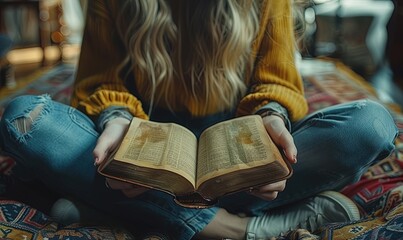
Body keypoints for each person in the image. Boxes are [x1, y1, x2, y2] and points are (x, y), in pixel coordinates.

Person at [0, 0, 398, 239]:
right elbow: (99, 80)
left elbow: (277, 82)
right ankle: (237, 229)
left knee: (371, 125)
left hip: (236, 160)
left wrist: (270, 118)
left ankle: (114, 208)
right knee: (23, 119)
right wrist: (115, 119)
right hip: (142, 161)